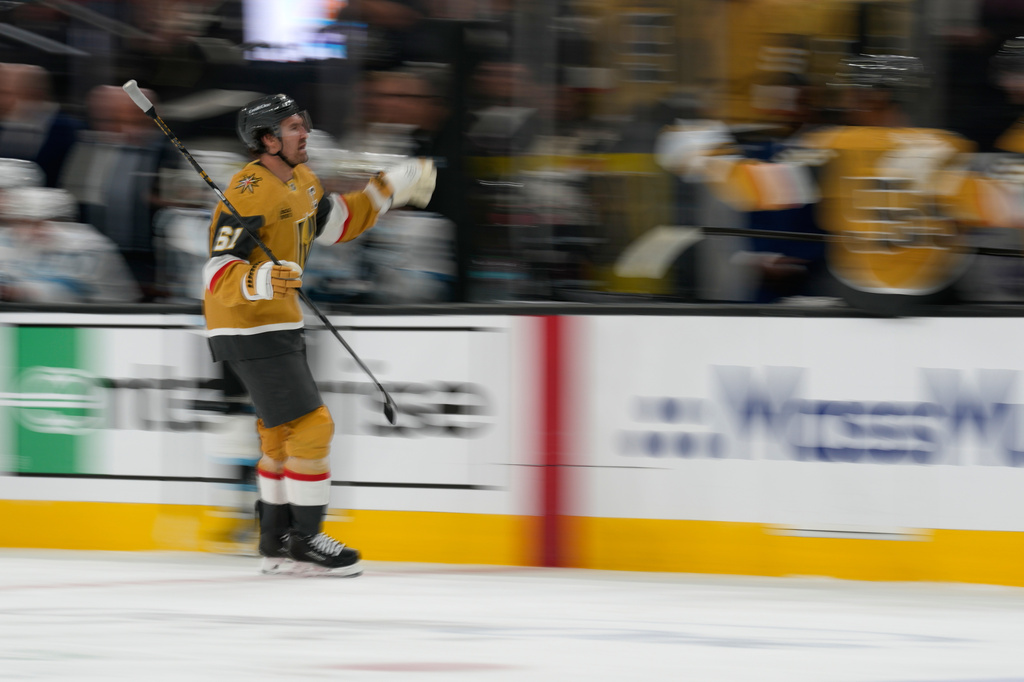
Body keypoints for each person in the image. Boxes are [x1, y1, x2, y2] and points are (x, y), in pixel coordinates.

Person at [202, 93, 435, 575]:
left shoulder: (304, 181)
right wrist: (262, 279)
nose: (303, 131)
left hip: (276, 319)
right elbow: (217, 270)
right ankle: (306, 538)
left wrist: (387, 188)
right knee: (313, 426)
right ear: (267, 140)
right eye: (291, 127)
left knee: (281, 433)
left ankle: (275, 540)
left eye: (301, 123)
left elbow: (336, 224)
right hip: (248, 322)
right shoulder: (248, 189)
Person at [656, 54, 1018, 316]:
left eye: (852, 96)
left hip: (858, 292)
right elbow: (1003, 206)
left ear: (874, 99)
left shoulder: (836, 147)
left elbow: (760, 189)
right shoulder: (943, 149)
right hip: (932, 294)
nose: (845, 104)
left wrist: (706, 155)